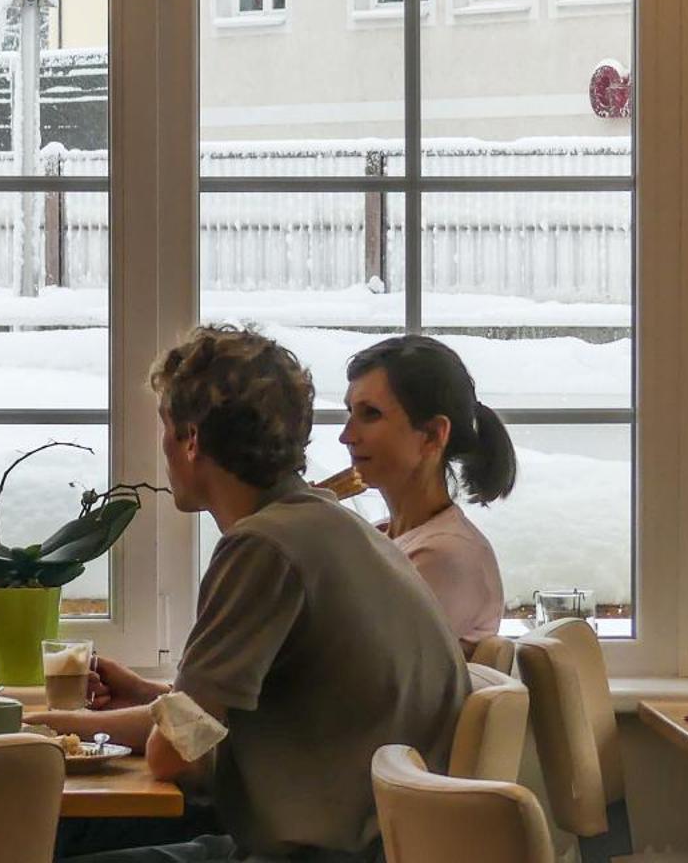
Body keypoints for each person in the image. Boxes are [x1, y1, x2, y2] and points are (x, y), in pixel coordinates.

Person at [33, 326, 467, 863]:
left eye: (165, 428)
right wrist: (77, 718)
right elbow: (205, 724)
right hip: (368, 841)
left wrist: (47, 730)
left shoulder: (263, 547)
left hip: (317, 854)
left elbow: (178, 756)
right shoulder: (325, 524)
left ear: (191, 438)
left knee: (34, 838)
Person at [339, 334, 516, 654]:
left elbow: (358, 670)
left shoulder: (446, 557)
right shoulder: (384, 537)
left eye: (370, 414)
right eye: (350, 412)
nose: (346, 435)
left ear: (433, 435)